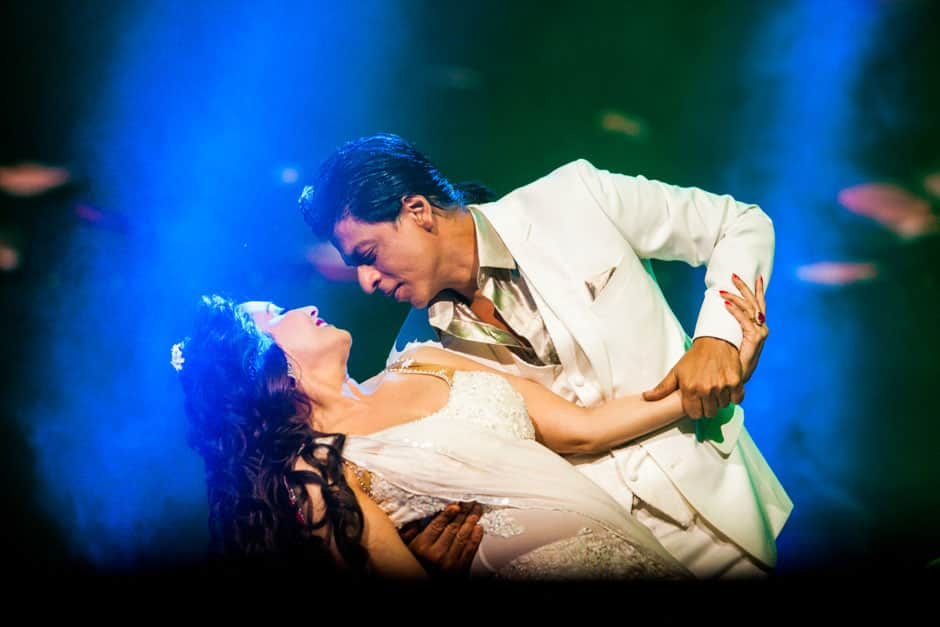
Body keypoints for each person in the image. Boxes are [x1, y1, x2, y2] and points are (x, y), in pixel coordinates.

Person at [299, 133, 793, 578]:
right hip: (593, 547)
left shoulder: (575, 198)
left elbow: (737, 223)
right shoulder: (415, 355)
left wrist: (718, 339)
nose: (365, 282)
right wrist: (422, 551)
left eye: (367, 256)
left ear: (417, 210)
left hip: (715, 507)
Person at [174, 284, 768, 579]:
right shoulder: (316, 468)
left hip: (630, 552)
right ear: (260, 366)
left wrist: (709, 384)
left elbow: (584, 430)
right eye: (276, 318)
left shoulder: (425, 358)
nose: (303, 309)